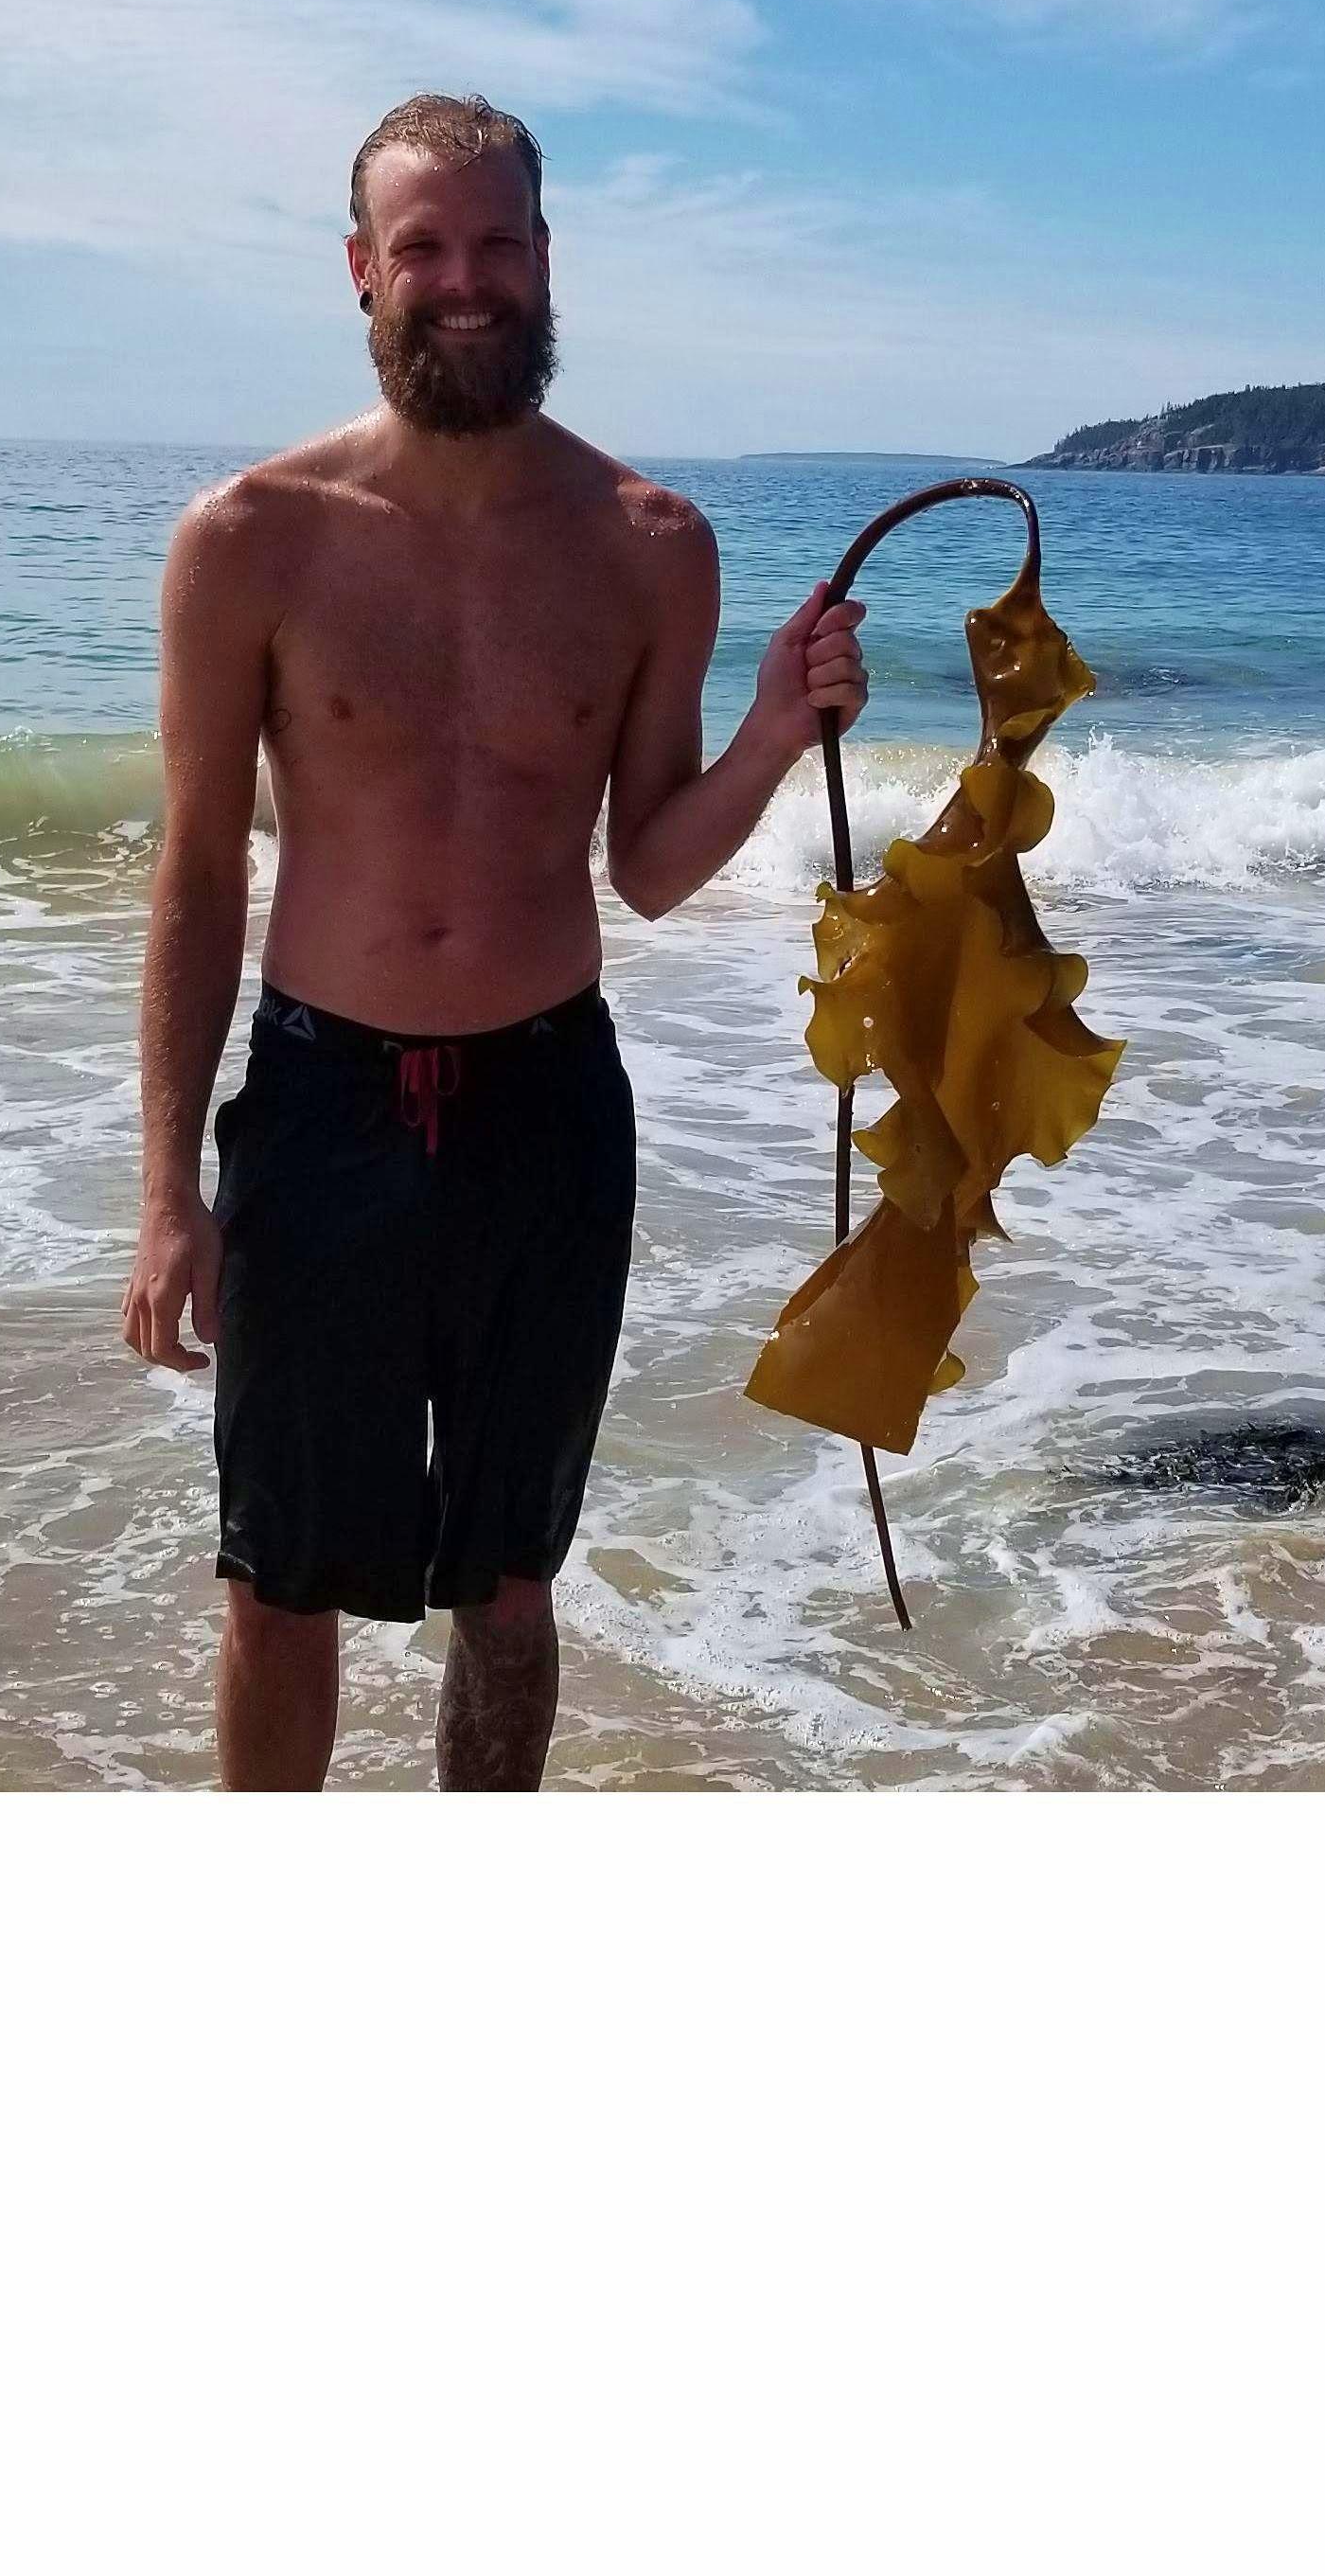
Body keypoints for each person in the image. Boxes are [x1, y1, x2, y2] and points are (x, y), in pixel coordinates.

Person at [120, 92, 869, 1788]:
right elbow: (198, 872)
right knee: (279, 1583)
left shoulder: (650, 544)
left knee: (512, 1594)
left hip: (546, 1112)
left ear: (546, 258)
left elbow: (651, 868)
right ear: (361, 271)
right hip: (321, 1111)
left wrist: (773, 732)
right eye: (424, 249)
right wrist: (170, 1191)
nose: (465, 282)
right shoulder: (250, 539)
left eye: (497, 244)